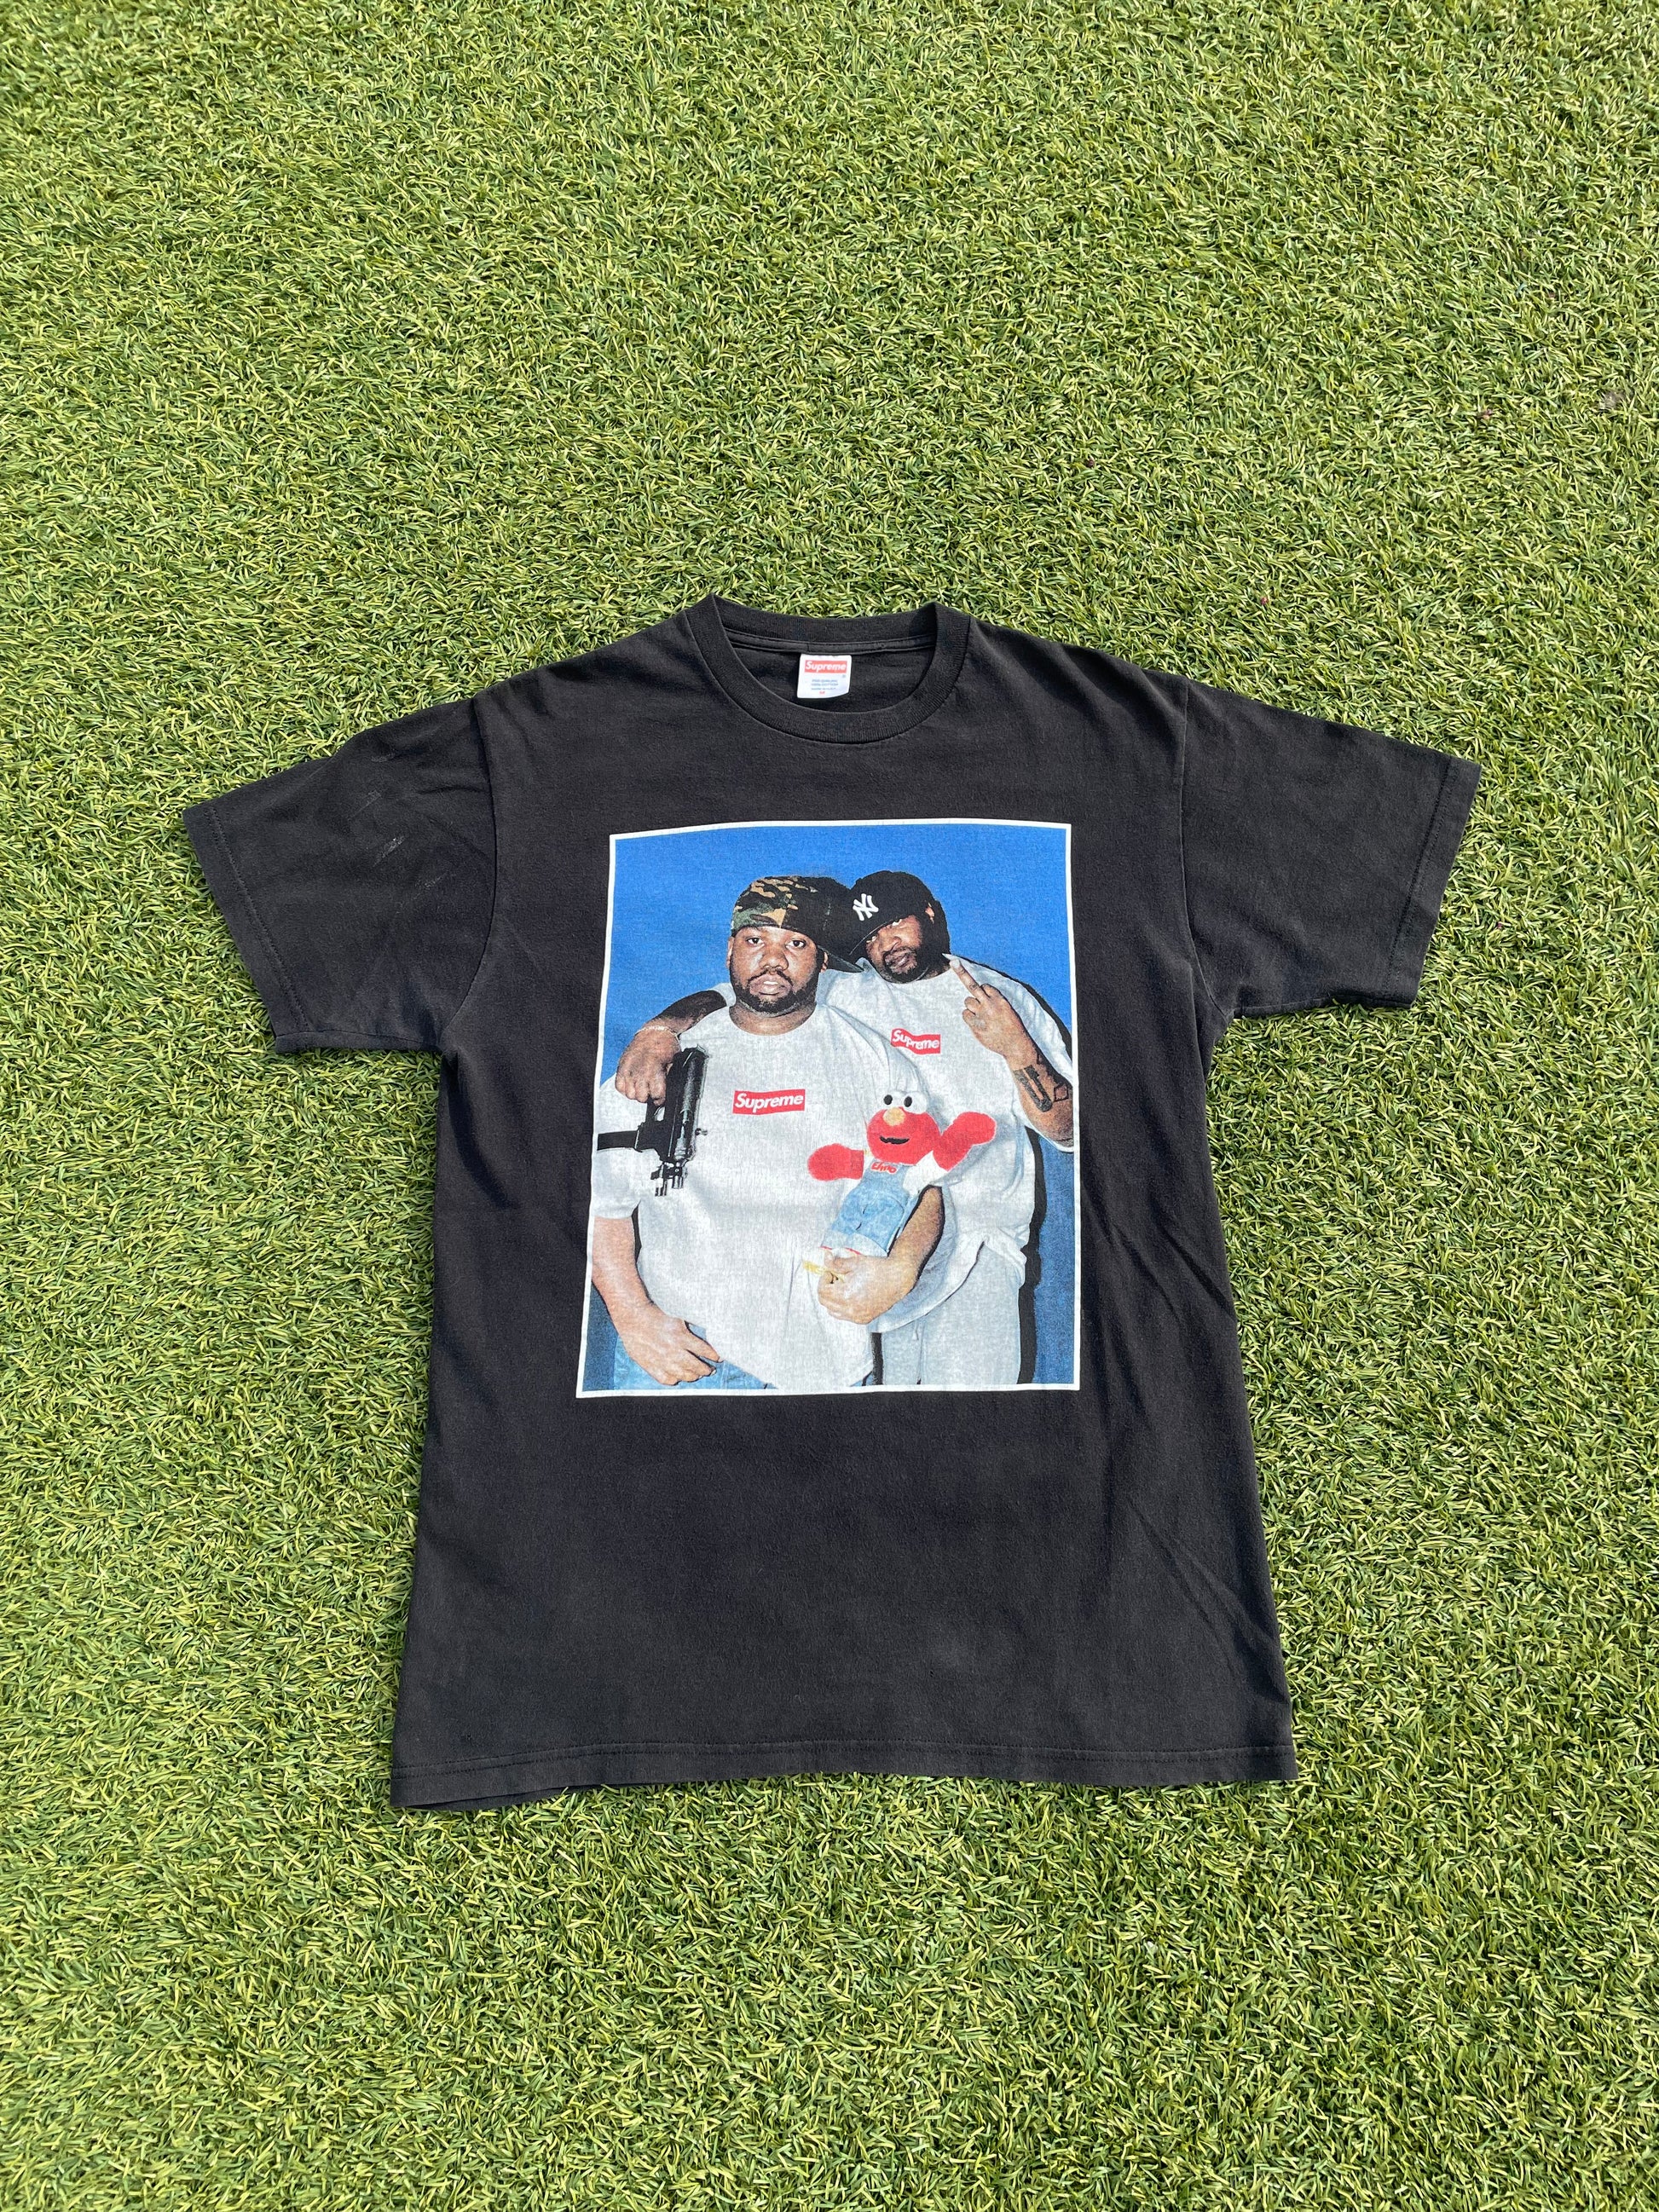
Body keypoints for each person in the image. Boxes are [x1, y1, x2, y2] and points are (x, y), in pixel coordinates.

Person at [615, 869, 1074, 1387]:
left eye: (895, 923)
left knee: (967, 1417)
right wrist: (659, 1030)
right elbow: (742, 995)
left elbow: (1068, 1131)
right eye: (870, 937)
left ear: (929, 914)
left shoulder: (1000, 999)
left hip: (976, 1243)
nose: (886, 944)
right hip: (870, 1249)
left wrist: (1017, 1048)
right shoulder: (847, 992)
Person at [588, 876, 946, 1393]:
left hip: (824, 1359)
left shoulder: (873, 1061)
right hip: (683, 1353)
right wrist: (634, 1318)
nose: (772, 960)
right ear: (730, 950)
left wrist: (902, 1267)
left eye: (796, 943)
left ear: (823, 961)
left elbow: (925, 1181)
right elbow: (602, 1205)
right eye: (755, 940)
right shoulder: (657, 1066)